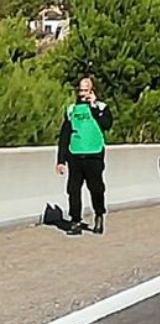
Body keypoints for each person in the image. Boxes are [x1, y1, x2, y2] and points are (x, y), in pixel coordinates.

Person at [56, 77, 112, 236]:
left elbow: (106, 124)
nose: (82, 94)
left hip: (94, 154)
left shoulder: (101, 107)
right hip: (75, 154)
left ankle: (99, 215)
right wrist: (61, 160)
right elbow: (64, 136)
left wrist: (94, 106)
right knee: (73, 189)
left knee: (96, 188)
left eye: (85, 90)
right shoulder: (71, 110)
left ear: (92, 91)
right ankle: (75, 221)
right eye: (80, 90)